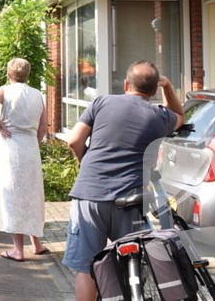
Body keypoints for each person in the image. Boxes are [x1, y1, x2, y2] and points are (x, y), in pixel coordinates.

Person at [61, 61, 184, 301]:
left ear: (126, 84)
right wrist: (168, 86)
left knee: (87, 267)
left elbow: (74, 140)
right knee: (133, 263)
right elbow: (180, 114)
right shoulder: (160, 116)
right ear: (154, 91)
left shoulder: (101, 102)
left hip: (89, 195)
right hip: (129, 200)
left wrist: (84, 162)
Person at [0, 58, 47, 260]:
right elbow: (43, 128)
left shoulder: (5, 91)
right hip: (31, 147)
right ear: (28, 74)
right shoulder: (38, 95)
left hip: (10, 146)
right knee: (32, 193)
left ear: (9, 75)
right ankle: (37, 243)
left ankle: (17, 249)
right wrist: (35, 143)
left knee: (13, 193)